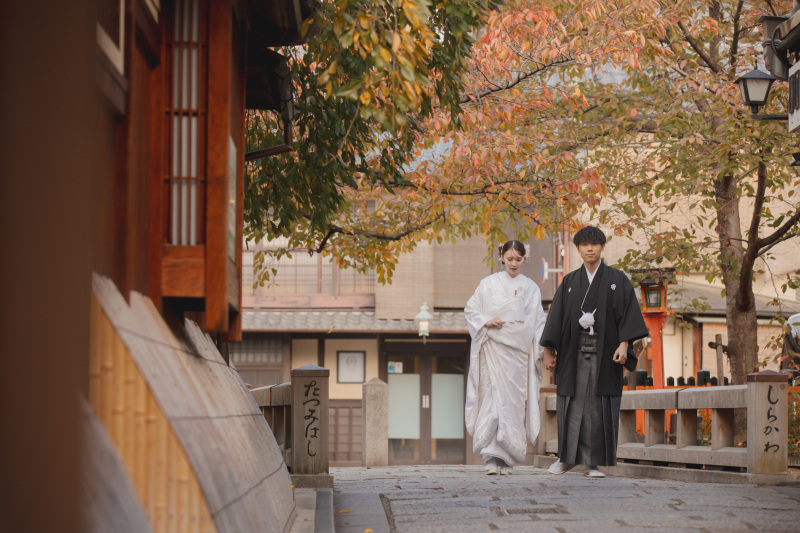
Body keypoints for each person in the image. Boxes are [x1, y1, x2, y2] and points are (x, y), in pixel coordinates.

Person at [540, 226, 648, 478]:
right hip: (573, 355)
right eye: (585, 244)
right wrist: (548, 349)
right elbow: (555, 318)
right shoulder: (569, 282)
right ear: (577, 249)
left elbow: (628, 314)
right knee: (572, 405)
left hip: (605, 355)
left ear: (602, 247)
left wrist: (624, 344)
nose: (590, 248)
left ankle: (593, 463)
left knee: (599, 408)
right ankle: (566, 459)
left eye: (595, 244)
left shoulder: (617, 279)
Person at [464, 240, 547, 475]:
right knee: (492, 403)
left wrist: (543, 350)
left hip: (518, 355)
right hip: (494, 349)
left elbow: (538, 321)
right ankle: (491, 458)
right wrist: (486, 321)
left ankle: (508, 458)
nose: (513, 263)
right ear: (501, 257)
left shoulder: (531, 287)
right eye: (509, 259)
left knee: (513, 405)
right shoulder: (487, 284)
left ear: (524, 259)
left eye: (518, 259)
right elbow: (471, 309)